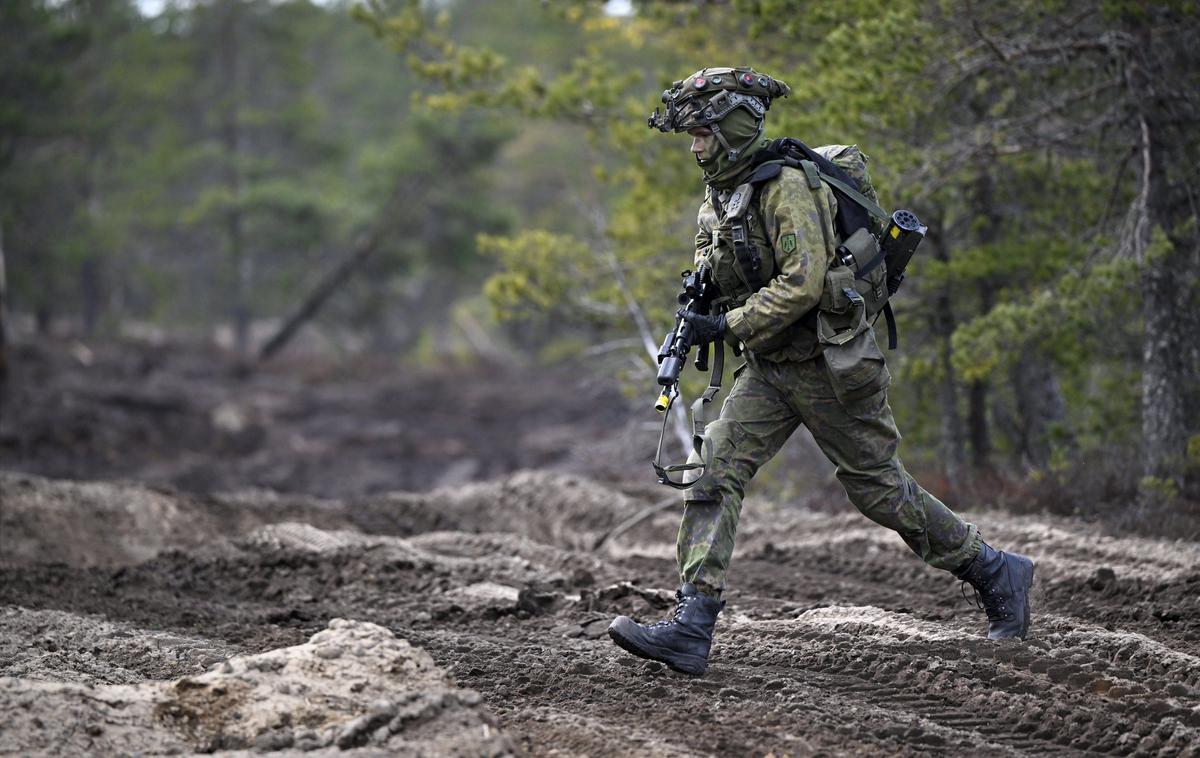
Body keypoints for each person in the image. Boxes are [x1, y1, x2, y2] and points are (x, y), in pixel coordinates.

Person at [607, 67, 1035, 677]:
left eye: (702, 133)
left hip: (830, 367)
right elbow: (717, 268)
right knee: (714, 470)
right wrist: (700, 306)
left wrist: (726, 328)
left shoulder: (784, 187)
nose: (695, 146)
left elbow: (803, 283)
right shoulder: (720, 195)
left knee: (879, 490)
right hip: (771, 369)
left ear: (732, 128)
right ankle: (692, 626)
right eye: (691, 135)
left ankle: (994, 569)